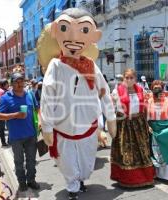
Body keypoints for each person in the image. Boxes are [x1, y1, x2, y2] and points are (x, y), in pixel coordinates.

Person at [37, 8, 117, 200]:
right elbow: (47, 96)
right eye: (66, 29)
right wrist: (46, 126)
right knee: (67, 161)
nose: (74, 39)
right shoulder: (55, 66)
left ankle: (80, 180)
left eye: (83, 31)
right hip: (64, 126)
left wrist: (111, 117)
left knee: (87, 158)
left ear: (93, 37)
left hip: (88, 125)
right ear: (57, 31)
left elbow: (104, 91)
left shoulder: (91, 64)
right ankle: (72, 186)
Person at [111, 68, 155, 187]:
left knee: (142, 151)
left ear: (135, 79)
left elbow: (144, 108)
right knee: (126, 152)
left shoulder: (140, 90)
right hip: (124, 125)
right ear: (124, 79)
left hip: (139, 124)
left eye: (131, 77)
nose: (129, 80)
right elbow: (111, 107)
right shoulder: (117, 91)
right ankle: (127, 179)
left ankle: (145, 178)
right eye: (127, 77)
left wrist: (147, 124)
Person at [0, 73, 40, 192]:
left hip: (31, 134)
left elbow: (36, 108)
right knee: (19, 161)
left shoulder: (30, 94)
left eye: (21, 81)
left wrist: (40, 123)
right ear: (12, 83)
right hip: (16, 137)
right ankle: (22, 182)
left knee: (31, 160)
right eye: (17, 81)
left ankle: (31, 180)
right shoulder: (6, 97)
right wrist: (15, 115)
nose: (20, 84)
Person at [0, 79, 9, 147]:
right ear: (4, 84)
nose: (8, 85)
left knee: (5, 127)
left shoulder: (4, 91)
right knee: (2, 128)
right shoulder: (1, 91)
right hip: (2, 113)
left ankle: (8, 141)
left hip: (4, 112)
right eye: (7, 84)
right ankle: (3, 142)